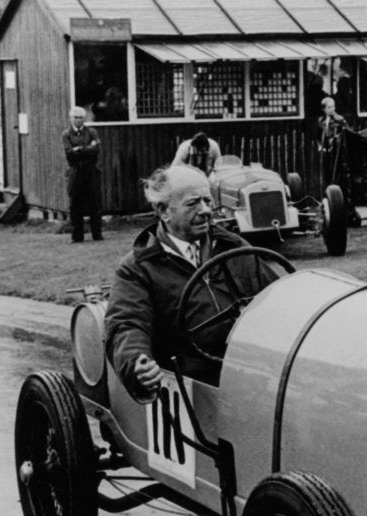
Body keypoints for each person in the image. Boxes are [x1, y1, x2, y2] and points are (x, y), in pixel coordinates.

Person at [104, 165, 279, 392]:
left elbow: (277, 297)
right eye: (193, 203)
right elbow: (127, 324)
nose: (205, 210)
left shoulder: (234, 247)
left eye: (207, 201)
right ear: (164, 211)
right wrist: (136, 362)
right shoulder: (138, 268)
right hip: (189, 383)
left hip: (251, 372)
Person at [61, 106, 103, 243]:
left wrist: (79, 149)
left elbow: (96, 149)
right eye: (76, 117)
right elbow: (69, 152)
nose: (78, 120)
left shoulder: (92, 132)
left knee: (95, 202)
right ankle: (77, 236)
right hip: (75, 171)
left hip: (91, 170)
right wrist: (87, 148)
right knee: (75, 204)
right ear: (71, 118)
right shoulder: (66, 134)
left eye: (81, 117)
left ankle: (97, 234)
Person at [318, 97, 349, 188]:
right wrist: (320, 146)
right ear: (323, 109)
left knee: (337, 173)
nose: (332, 109)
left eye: (333, 107)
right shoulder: (320, 120)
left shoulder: (340, 120)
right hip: (325, 151)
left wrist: (338, 139)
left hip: (337, 152)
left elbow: (347, 132)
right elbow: (317, 136)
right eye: (329, 107)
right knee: (325, 173)